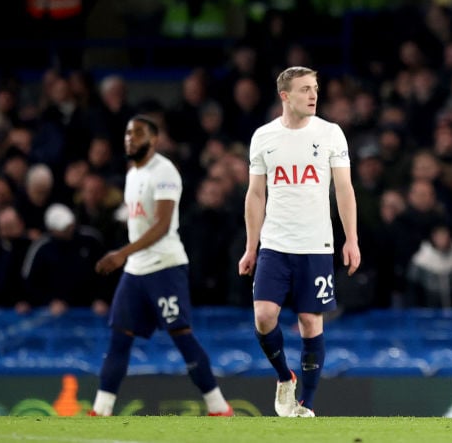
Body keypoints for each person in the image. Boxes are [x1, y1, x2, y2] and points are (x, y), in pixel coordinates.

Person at [88, 115, 233, 417]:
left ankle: (218, 407)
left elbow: (163, 225)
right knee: (119, 337)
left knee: (181, 335)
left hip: (165, 267)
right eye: (127, 132)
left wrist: (121, 254)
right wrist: (128, 257)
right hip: (136, 270)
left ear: (153, 140)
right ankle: (100, 411)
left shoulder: (164, 171)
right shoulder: (132, 174)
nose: (130, 138)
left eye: (138, 133)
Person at [238, 66, 362, 417]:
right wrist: (251, 247)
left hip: (316, 246)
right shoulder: (263, 137)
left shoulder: (331, 134)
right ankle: (283, 377)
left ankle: (306, 406)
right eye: (305, 89)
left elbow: (344, 189)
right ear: (285, 96)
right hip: (275, 245)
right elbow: (255, 194)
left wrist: (350, 239)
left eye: (315, 88)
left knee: (310, 321)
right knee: (264, 317)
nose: (313, 95)